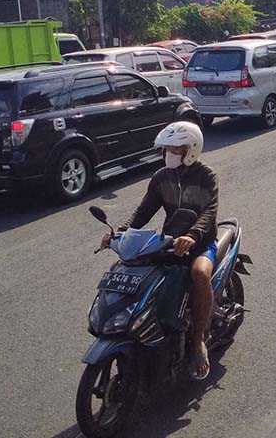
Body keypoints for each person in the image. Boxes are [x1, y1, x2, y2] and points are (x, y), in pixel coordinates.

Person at [100, 121, 218, 380]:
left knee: (199, 273)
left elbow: (209, 212)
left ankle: (198, 341)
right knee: (141, 273)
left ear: (191, 149)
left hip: (201, 244)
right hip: (170, 243)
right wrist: (118, 233)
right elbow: (143, 212)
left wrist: (192, 235)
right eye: (166, 149)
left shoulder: (206, 176)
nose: (169, 154)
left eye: (175, 149)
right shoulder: (161, 177)